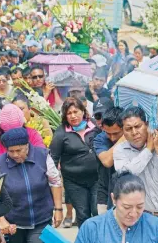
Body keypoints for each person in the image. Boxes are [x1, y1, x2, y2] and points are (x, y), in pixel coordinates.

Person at [113, 106, 158, 235]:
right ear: (123, 132)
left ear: (147, 125)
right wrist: (148, 150)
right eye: (129, 129)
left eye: (138, 126)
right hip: (144, 219)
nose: (134, 132)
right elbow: (126, 176)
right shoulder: (120, 151)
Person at [0, 127, 63, 242]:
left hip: (41, 219)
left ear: (27, 145)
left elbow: (55, 182)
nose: (15, 155)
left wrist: (59, 209)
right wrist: (0, 219)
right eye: (11, 151)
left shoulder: (43, 156)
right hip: (13, 224)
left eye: (19, 150)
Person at [75, 171, 158, 243]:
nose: (133, 213)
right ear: (113, 199)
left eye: (140, 207)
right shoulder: (92, 228)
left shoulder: (157, 227)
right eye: (127, 207)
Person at [50, 97, 100, 227]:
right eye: (69, 113)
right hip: (74, 182)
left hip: (97, 179)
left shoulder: (95, 126)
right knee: (83, 214)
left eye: (76, 111)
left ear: (83, 111)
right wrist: (53, 182)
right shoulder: (61, 133)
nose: (73, 116)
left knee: (98, 211)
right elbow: (53, 159)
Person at [94, 106, 125, 214]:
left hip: (127, 193)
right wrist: (124, 137)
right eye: (108, 133)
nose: (112, 138)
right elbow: (107, 161)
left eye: (116, 133)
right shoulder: (100, 139)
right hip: (105, 194)